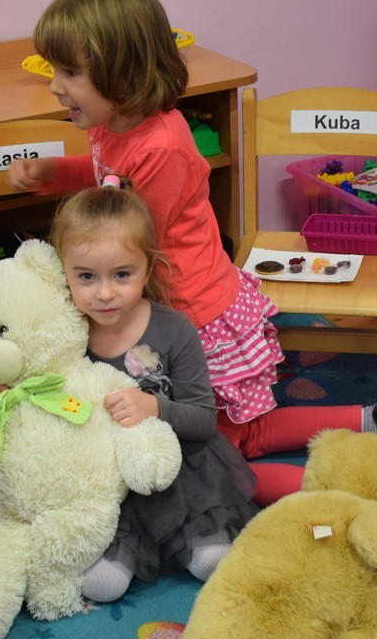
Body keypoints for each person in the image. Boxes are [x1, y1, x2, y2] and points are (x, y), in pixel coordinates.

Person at [7, 0, 377, 504]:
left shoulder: (161, 149)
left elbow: (132, 242)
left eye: (70, 72)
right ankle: (376, 417)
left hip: (192, 313)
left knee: (221, 459)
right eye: (55, 70)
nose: (55, 86)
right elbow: (107, 176)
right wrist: (56, 171)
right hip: (184, 296)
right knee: (248, 432)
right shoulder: (110, 124)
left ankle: (359, 495)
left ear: (122, 73)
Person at [47, 183, 261, 601]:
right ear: (64, 272)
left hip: (180, 473)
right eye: (86, 276)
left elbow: (203, 420)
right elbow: (36, 385)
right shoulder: (63, 332)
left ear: (148, 269)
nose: (105, 293)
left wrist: (156, 408)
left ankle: (195, 537)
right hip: (106, 482)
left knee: (211, 562)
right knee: (102, 587)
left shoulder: (174, 329)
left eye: (122, 275)